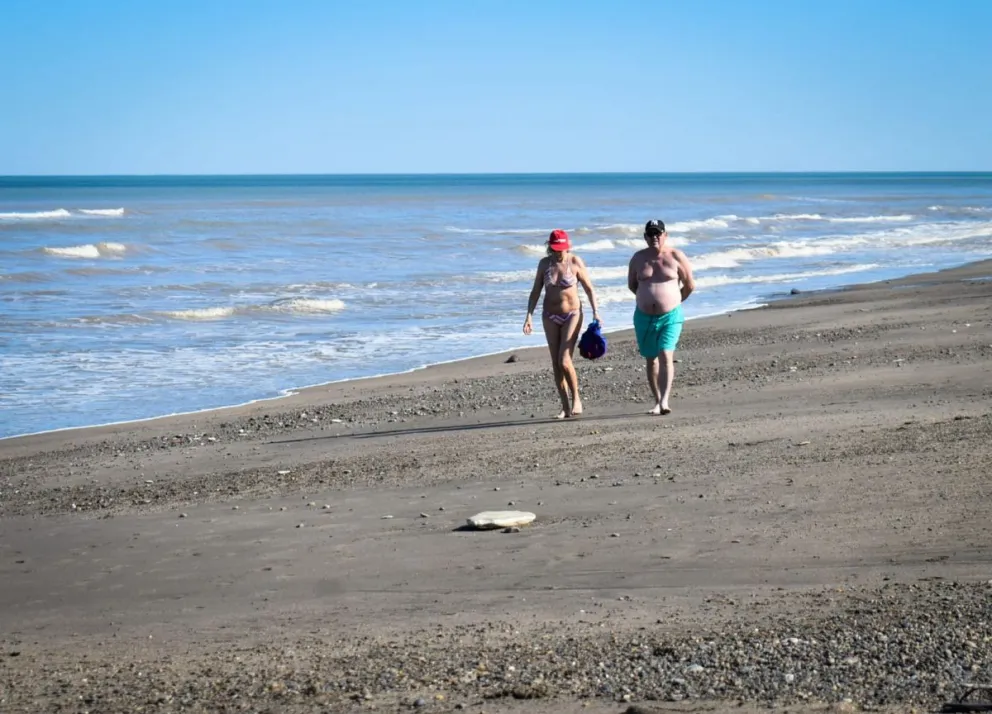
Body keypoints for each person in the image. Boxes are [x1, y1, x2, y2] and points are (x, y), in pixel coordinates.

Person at [524, 229, 601, 419]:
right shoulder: (544, 264)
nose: (560, 252)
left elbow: (589, 289)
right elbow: (535, 292)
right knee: (556, 364)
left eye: (562, 248)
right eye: (556, 249)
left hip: (572, 315)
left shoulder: (575, 262)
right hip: (549, 316)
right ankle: (565, 407)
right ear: (550, 247)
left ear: (568, 246)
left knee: (565, 360)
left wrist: (596, 312)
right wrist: (528, 316)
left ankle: (577, 399)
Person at [627, 219, 695, 415]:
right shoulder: (638, 258)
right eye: (651, 234)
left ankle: (665, 401)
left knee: (666, 354)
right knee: (651, 358)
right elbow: (632, 284)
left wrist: (673, 300)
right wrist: (646, 299)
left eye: (658, 233)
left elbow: (689, 284)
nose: (654, 237)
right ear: (645, 237)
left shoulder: (676, 256)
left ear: (665, 235)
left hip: (671, 315)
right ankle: (657, 400)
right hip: (644, 317)